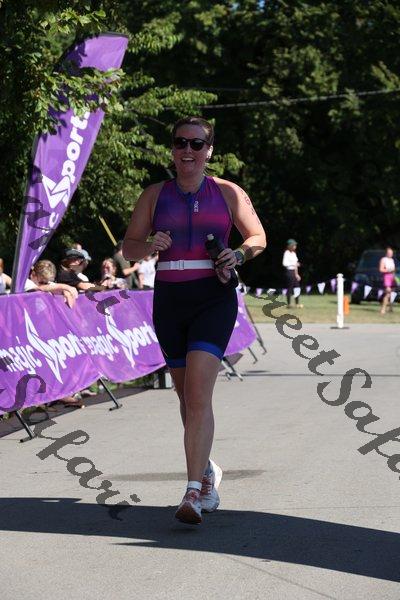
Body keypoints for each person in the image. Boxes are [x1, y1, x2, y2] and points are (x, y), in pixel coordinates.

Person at [123, 115, 266, 524]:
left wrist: (237, 254)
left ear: (209, 150)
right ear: (172, 149)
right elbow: (129, 248)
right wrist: (149, 244)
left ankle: (193, 492)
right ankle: (206, 471)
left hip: (212, 298)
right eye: (180, 143)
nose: (188, 150)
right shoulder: (155, 194)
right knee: (186, 397)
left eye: (197, 144)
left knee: (199, 394)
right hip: (170, 300)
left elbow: (258, 237)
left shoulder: (227, 191)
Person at [282, 239, 303, 308]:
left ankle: (297, 303)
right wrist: (293, 264)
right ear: (289, 246)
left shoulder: (294, 253)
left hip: (294, 272)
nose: (295, 246)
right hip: (289, 272)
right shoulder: (286, 253)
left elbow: (296, 265)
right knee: (290, 288)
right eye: (294, 245)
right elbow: (284, 263)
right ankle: (289, 304)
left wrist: (297, 274)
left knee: (297, 288)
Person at [379, 247, 396, 315]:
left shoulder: (392, 260)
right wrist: (389, 270)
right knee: (388, 293)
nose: (391, 254)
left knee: (392, 293)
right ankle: (383, 309)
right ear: (386, 253)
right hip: (386, 277)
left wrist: (394, 276)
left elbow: (393, 269)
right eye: (389, 253)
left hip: (392, 277)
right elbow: (381, 269)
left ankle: (390, 308)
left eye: (391, 253)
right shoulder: (383, 259)